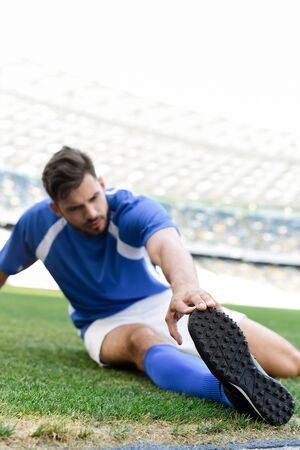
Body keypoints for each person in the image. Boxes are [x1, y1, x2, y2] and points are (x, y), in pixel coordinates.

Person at [0, 147, 299, 425]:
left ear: (102, 185)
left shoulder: (132, 207)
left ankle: (236, 372)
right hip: (101, 321)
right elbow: (3, 269)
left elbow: (167, 243)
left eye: (93, 198)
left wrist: (183, 288)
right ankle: (228, 392)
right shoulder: (36, 225)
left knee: (291, 363)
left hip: (159, 301)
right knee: (140, 340)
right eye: (76, 208)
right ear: (56, 209)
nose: (91, 213)